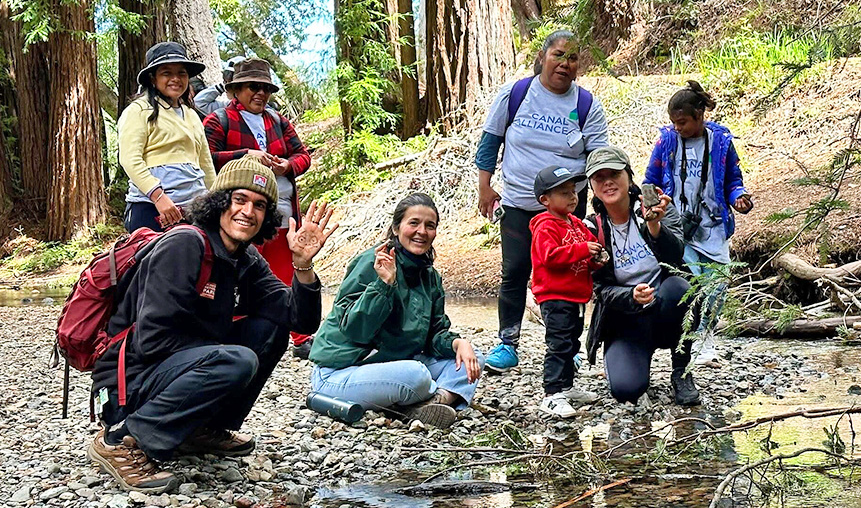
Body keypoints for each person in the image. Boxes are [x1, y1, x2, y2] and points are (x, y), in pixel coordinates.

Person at [88, 157, 337, 494]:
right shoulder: (184, 245)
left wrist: (302, 266)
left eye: (260, 205)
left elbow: (299, 320)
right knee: (236, 359)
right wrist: (222, 354)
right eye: (240, 200)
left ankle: (200, 429)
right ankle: (120, 439)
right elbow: (152, 341)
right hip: (127, 383)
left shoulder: (245, 259)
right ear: (220, 202)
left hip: (177, 369)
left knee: (270, 330)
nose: (248, 211)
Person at [475, 29, 610, 374]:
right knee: (515, 270)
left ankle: (568, 345)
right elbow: (491, 141)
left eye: (573, 58)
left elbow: (596, 155)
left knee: (569, 272)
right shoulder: (517, 94)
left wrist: (600, 199)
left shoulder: (586, 105)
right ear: (543, 56)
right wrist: (485, 187)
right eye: (559, 55)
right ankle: (507, 343)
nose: (565, 64)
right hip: (519, 202)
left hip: (569, 206)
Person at [309, 193, 483, 429]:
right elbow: (355, 328)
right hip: (340, 372)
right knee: (416, 375)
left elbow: (435, 334)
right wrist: (384, 285)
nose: (422, 231)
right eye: (414, 223)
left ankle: (433, 402)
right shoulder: (372, 262)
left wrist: (457, 344)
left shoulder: (430, 277)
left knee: (473, 357)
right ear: (396, 227)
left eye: (429, 226)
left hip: (391, 363)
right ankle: (428, 400)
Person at [203, 58, 315, 358]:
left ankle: (301, 336)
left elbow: (303, 156)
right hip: (242, 214)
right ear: (236, 90)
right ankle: (239, 330)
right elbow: (207, 158)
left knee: (284, 269)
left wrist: (288, 164)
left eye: (265, 88)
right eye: (253, 87)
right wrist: (245, 156)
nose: (261, 94)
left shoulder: (278, 121)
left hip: (282, 212)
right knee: (242, 272)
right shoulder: (219, 120)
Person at [642, 81, 752, 367]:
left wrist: (739, 198)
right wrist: (651, 202)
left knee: (716, 283)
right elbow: (650, 178)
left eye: (683, 122)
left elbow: (733, 181)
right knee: (688, 281)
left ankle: (706, 336)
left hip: (712, 224)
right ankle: (687, 339)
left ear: (700, 115)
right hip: (677, 224)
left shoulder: (721, 142)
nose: (678, 128)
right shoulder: (666, 141)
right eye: (674, 123)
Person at [583, 146, 701, 406]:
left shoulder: (658, 207)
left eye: (614, 174)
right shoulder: (592, 229)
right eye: (599, 177)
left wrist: (654, 225)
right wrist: (630, 295)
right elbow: (600, 289)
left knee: (681, 289)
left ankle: (681, 371)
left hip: (665, 306)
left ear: (629, 176)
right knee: (626, 391)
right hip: (626, 319)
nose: (608, 182)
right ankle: (637, 359)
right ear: (592, 185)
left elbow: (675, 256)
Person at [117, 41, 217, 232]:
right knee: (158, 260)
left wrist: (214, 199)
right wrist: (158, 197)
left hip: (194, 209)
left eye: (181, 73)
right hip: (151, 208)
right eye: (166, 73)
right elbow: (130, 159)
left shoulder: (191, 115)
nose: (175, 79)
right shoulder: (138, 111)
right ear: (153, 79)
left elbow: (205, 163)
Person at [529, 166, 604, 418]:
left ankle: (567, 386)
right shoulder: (545, 226)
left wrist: (596, 259)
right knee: (559, 344)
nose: (573, 197)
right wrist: (584, 249)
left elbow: (587, 252)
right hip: (555, 295)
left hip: (576, 296)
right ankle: (551, 394)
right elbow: (549, 257)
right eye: (564, 193)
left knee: (572, 341)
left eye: (573, 191)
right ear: (545, 200)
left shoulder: (576, 224)